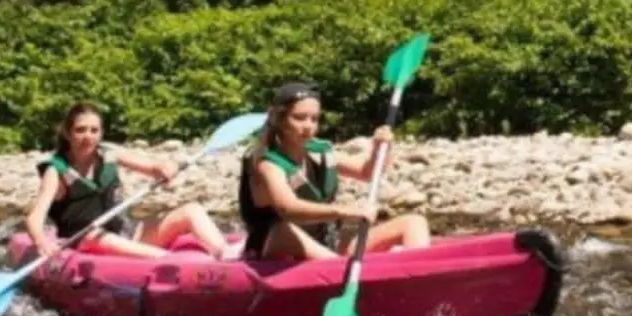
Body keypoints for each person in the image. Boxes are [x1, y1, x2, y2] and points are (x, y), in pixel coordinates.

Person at [237, 81, 431, 261]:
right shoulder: (266, 163)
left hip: (324, 245)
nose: (308, 126)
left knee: (414, 222)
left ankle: (416, 276)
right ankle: (338, 268)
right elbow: (288, 208)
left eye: (314, 119)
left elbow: (367, 172)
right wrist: (345, 211)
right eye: (299, 118)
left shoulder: (318, 152)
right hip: (276, 248)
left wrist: (381, 147)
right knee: (282, 231)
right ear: (278, 118)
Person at [24, 101, 228, 260]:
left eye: (94, 130)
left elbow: (153, 166)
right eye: (81, 130)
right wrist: (41, 241)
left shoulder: (109, 154)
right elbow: (34, 218)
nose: (88, 136)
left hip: (124, 235)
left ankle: (224, 253)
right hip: (83, 241)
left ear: (101, 133)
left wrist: (165, 168)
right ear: (68, 134)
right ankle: (169, 261)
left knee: (191, 210)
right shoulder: (56, 171)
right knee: (96, 237)